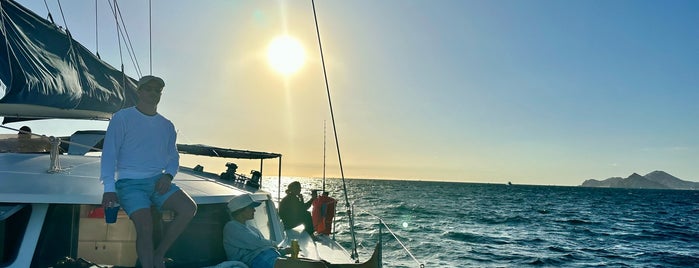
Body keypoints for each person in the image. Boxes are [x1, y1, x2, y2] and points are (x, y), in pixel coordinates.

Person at [100, 75, 197, 268]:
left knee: (189, 208)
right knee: (145, 226)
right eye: (149, 89)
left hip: (158, 180)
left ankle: (158, 254)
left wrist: (168, 176)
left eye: (157, 90)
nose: (153, 93)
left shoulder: (166, 125)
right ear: (139, 91)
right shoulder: (122, 118)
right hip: (128, 183)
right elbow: (109, 154)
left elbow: (173, 157)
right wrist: (109, 188)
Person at [223, 194, 337, 268]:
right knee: (318, 267)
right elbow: (258, 243)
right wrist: (276, 245)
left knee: (324, 264)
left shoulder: (249, 228)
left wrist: (284, 251)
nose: (254, 210)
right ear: (241, 210)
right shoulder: (232, 227)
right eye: (251, 208)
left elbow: (261, 246)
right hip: (259, 261)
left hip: (269, 256)